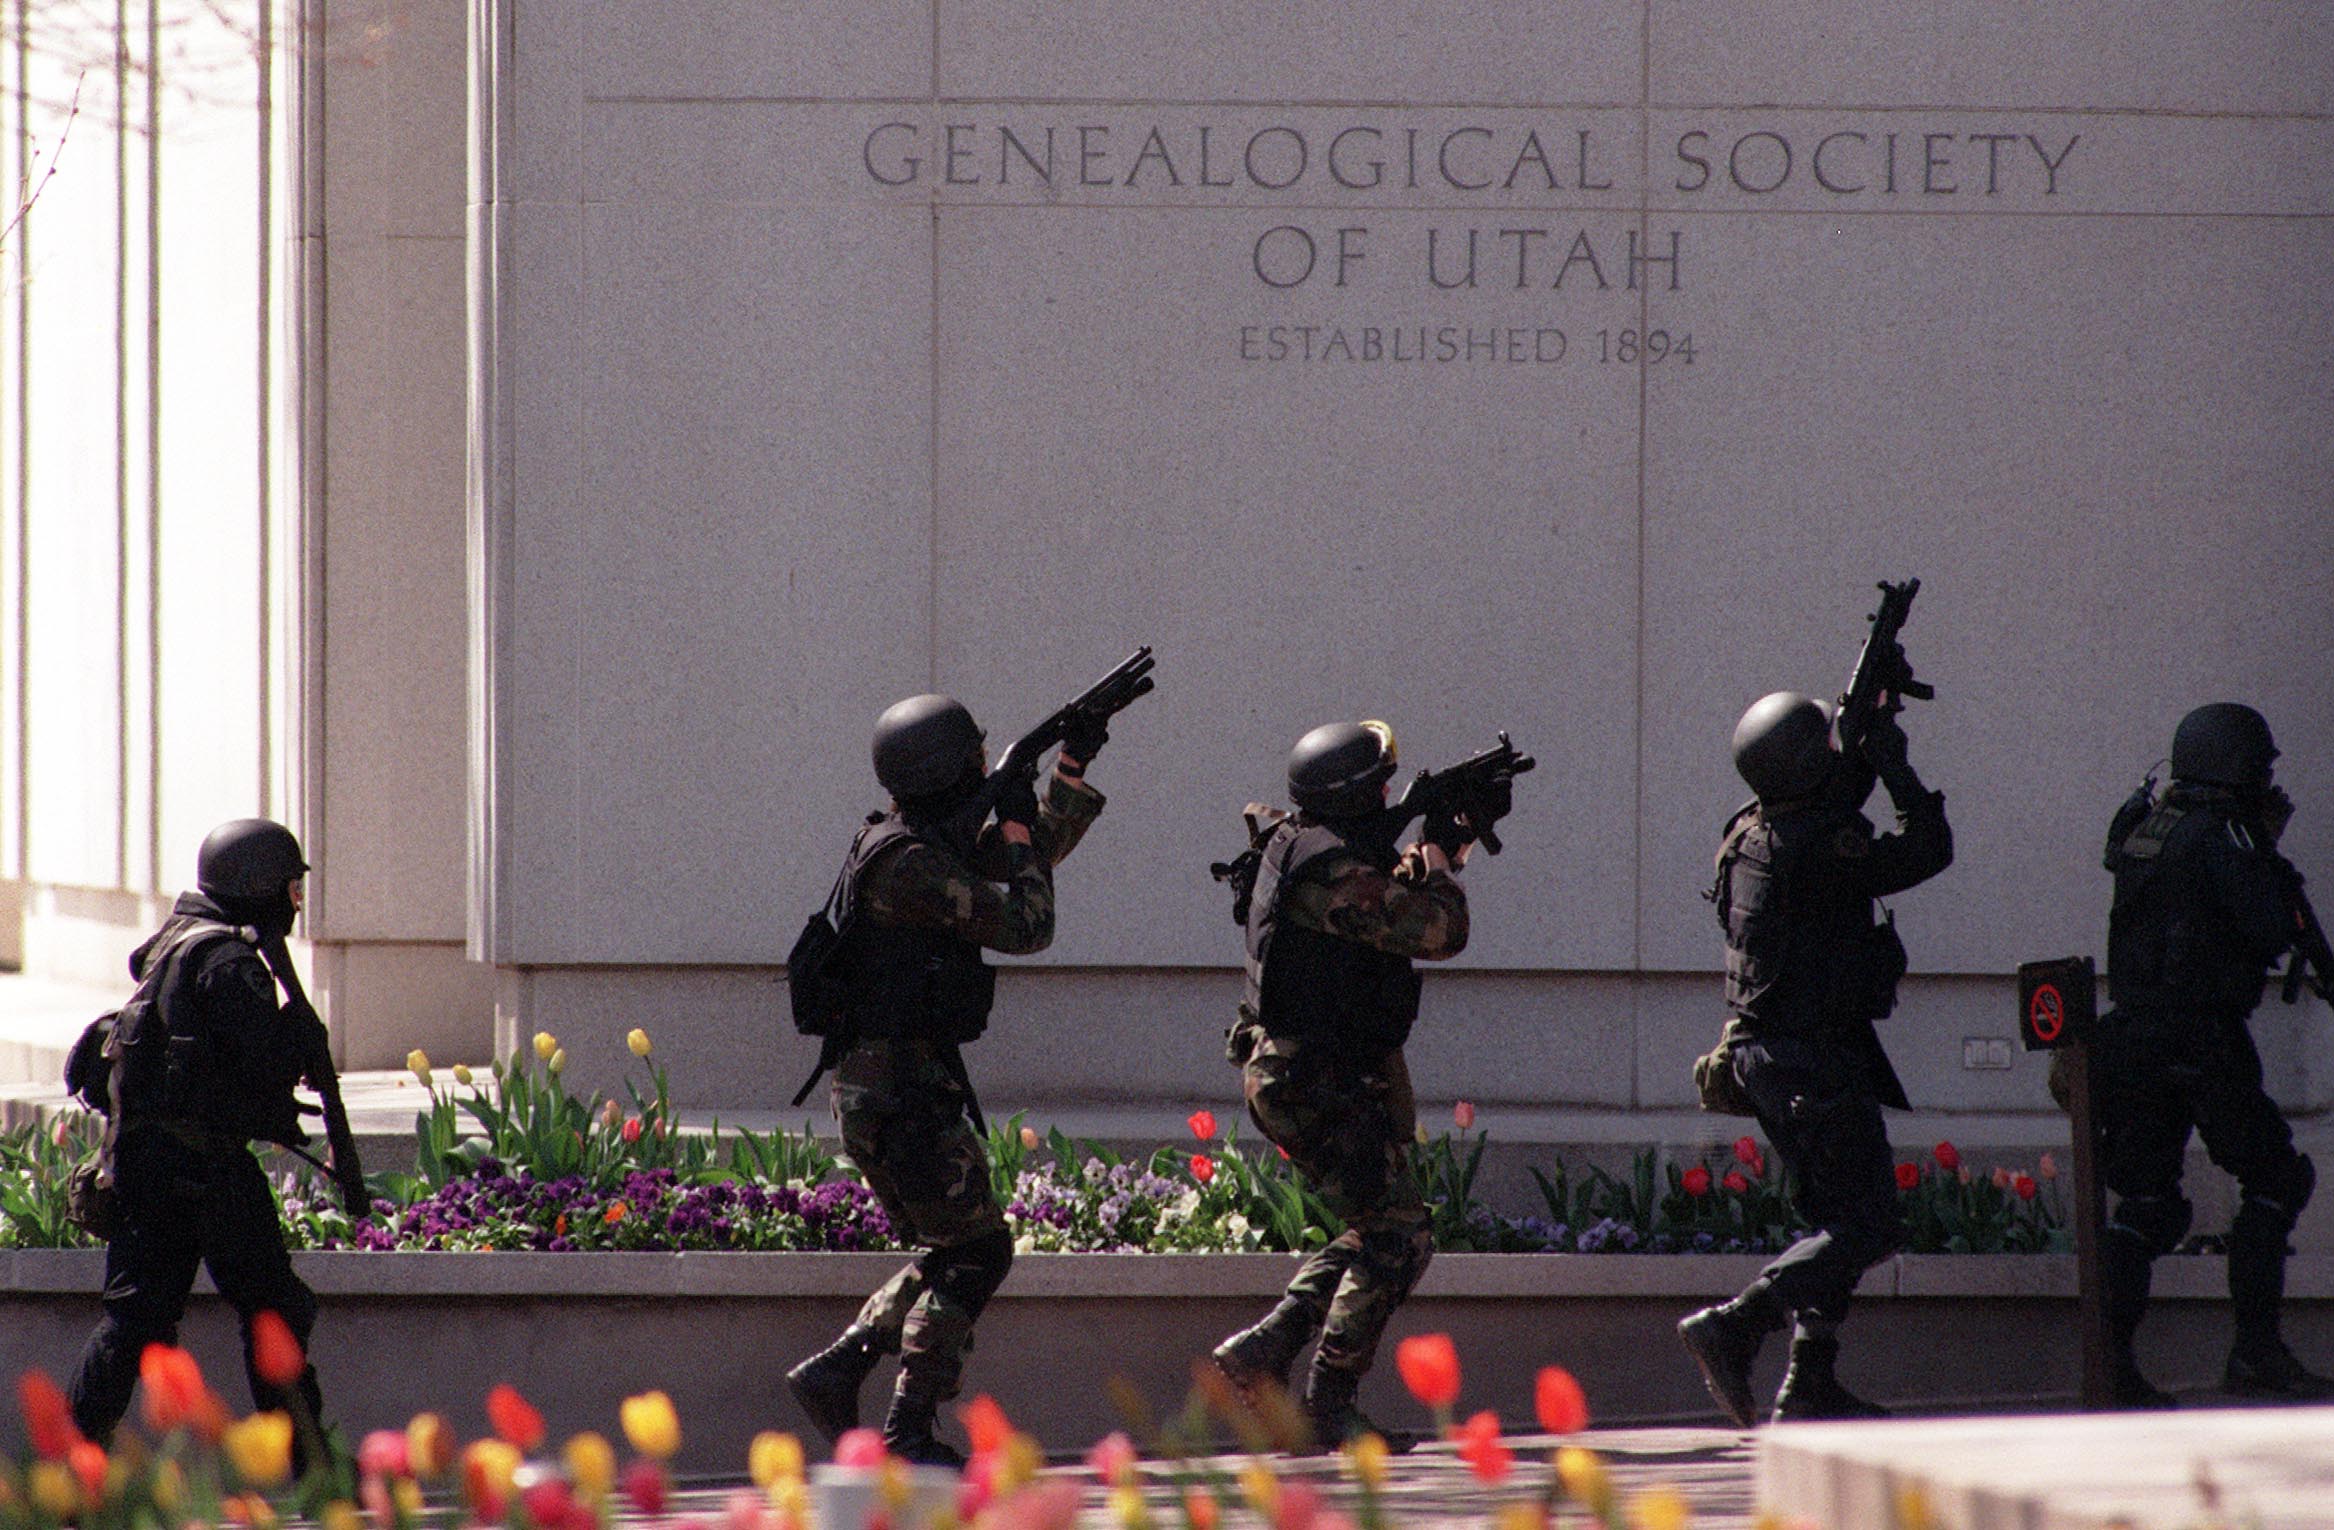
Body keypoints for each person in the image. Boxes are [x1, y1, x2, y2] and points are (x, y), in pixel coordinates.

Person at [785, 694, 1106, 1465]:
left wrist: (1069, 767)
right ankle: (903, 1428)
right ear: (950, 768)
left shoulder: (915, 842)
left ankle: (841, 1371)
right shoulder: (910, 865)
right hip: (898, 1090)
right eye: (974, 759)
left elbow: (1029, 859)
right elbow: (1029, 922)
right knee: (975, 1252)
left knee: (956, 1246)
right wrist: (1018, 818)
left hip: (897, 1084)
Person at [1679, 692, 1951, 1426]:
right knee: (1868, 1226)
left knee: (1834, 1221)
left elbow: (1822, 798)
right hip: (1810, 1062)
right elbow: (1928, 850)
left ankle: (1809, 1385)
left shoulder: (1751, 832)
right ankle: (1736, 1324)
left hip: (1772, 1057)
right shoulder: (1819, 845)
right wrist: (1894, 766)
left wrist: (1855, 731)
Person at [1210, 720, 1480, 1448]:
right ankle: (1329, 1404)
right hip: (1310, 1076)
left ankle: (1265, 1349)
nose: (1391, 794)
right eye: (1382, 785)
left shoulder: (1308, 848)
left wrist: (1440, 846)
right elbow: (1437, 930)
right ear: (1359, 795)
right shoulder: (1331, 871)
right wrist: (1436, 862)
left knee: (1380, 1227)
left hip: (1312, 1070)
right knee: (1399, 1237)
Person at [67, 818, 335, 1443]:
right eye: (287, 889)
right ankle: (311, 1467)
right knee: (275, 1313)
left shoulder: (184, 941)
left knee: (133, 1324)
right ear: (255, 884)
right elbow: (258, 1078)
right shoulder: (232, 963)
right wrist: (297, 1048)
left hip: (153, 1164)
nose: (293, 904)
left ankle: (74, 1471)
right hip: (203, 1169)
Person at [2094, 702, 2331, 1406]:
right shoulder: (2229, 835)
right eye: (2260, 766)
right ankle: (2257, 1354)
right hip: (2203, 1038)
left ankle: (2112, 1367)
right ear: (2235, 767)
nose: (2267, 777)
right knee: (2275, 1182)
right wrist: (2263, 848)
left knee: (2144, 1203)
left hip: (2136, 1038)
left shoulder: (2144, 826)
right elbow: (2265, 930)